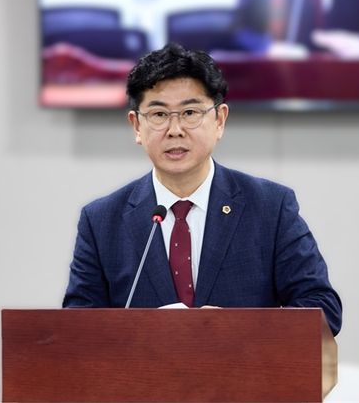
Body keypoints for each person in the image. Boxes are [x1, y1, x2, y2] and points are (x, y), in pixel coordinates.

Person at [62, 43, 342, 336]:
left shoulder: (270, 207)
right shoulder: (101, 221)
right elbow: (77, 329)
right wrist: (145, 333)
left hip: (242, 365)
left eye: (190, 112)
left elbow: (323, 309)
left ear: (219, 120)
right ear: (136, 126)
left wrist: (236, 329)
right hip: (142, 367)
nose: (175, 130)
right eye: (159, 115)